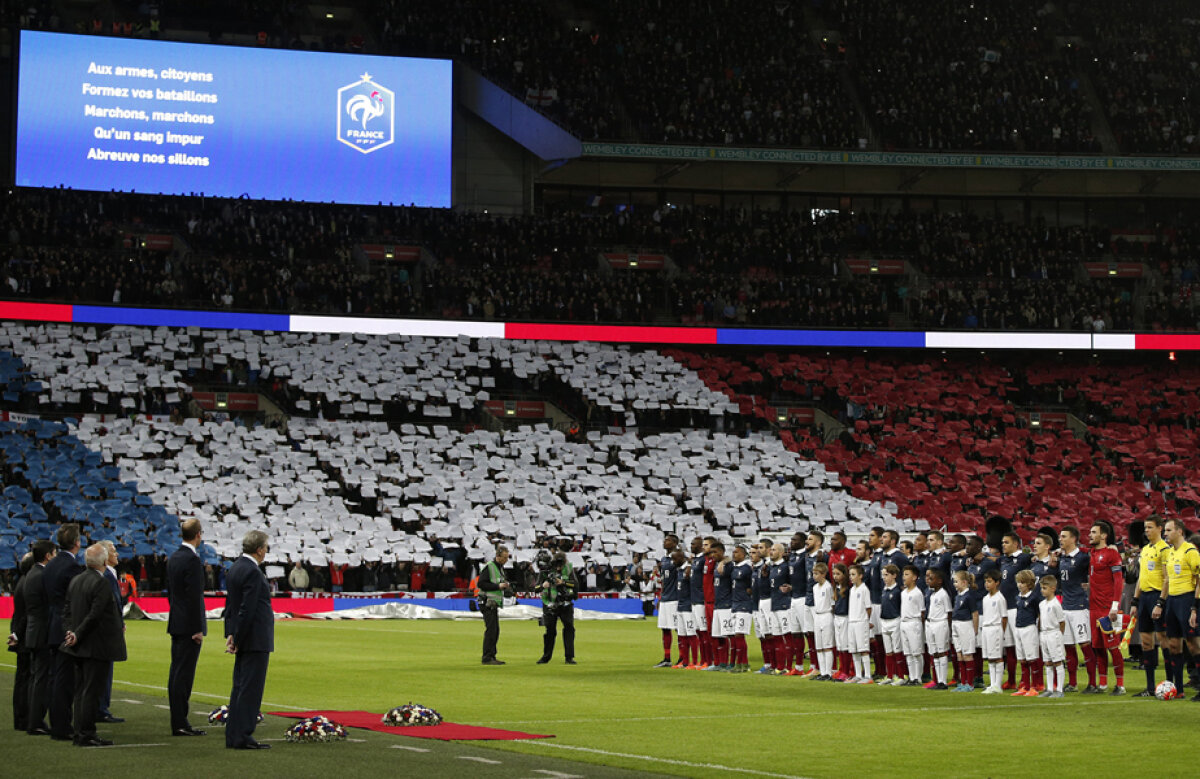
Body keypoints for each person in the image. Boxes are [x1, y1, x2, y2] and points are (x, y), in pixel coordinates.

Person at [61, 543, 127, 747]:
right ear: (104, 562)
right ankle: (87, 734)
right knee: (91, 691)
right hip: (96, 645)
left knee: (81, 691)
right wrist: (77, 634)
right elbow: (95, 615)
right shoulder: (101, 583)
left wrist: (71, 632)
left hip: (78, 646)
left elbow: (66, 611)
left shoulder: (76, 580)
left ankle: (80, 731)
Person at [224, 529, 274, 750]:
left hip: (244, 636)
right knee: (250, 689)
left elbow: (231, 606)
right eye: (266, 547)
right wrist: (238, 637)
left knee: (239, 687)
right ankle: (243, 735)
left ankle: (234, 733)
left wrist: (232, 633)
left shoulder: (236, 567)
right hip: (254, 638)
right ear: (260, 549)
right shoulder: (253, 572)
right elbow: (247, 609)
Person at [167, 519, 208, 736]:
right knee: (184, 675)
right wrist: (197, 627)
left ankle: (178, 720)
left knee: (176, 672)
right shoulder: (192, 560)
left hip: (177, 622)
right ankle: (180, 722)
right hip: (188, 626)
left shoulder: (174, 557)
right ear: (198, 534)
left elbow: (172, 593)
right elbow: (194, 597)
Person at [44, 523, 85, 741]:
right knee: (65, 680)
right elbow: (76, 599)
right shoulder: (72, 567)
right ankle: (62, 726)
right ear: (77, 542)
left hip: (52, 625)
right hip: (65, 628)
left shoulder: (50, 565)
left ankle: (57, 723)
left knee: (56, 678)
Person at [1154, 518, 1200, 697]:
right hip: (1172, 601)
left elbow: (1199, 580)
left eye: (1168, 530)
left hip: (1187, 600)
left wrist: (1195, 608)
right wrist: (1161, 602)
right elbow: (1167, 580)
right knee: (1173, 645)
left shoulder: (1190, 551)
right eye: (1165, 530)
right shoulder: (1171, 553)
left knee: (1193, 644)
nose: (1165, 533)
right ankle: (1178, 690)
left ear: (1179, 531)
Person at [1129, 514, 1170, 697]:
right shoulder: (1145, 550)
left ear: (1160, 528)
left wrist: (1160, 602)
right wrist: (1135, 601)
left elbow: (1167, 578)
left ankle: (1170, 682)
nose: (1147, 531)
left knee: (1163, 639)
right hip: (1144, 597)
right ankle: (1150, 687)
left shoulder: (1165, 549)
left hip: (1157, 596)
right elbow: (1141, 577)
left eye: (1150, 527)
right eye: (1145, 528)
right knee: (1146, 641)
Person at [1055, 526, 1098, 693]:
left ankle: (1092, 683)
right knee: (1068, 646)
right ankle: (1072, 683)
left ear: (1073, 539)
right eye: (1060, 536)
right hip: (1065, 607)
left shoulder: (1083, 558)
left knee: (1084, 645)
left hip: (1080, 608)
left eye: (1064, 536)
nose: (1060, 539)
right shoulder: (1061, 558)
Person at [1087, 521, 1125, 694]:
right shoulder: (1092, 553)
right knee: (1098, 647)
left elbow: (1118, 581)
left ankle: (1120, 685)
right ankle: (1102, 684)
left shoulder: (1112, 554)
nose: (1090, 535)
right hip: (1094, 608)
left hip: (1108, 608)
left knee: (1113, 646)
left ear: (1103, 536)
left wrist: (1115, 606)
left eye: (1094, 532)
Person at [22, 540, 55, 735]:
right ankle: (36, 722)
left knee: (36, 678)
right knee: (41, 679)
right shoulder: (42, 575)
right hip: (42, 632)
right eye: (54, 553)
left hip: (34, 631)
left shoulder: (31, 574)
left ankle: (33, 720)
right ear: (48, 556)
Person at [999, 532, 1031, 690]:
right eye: (1002, 542)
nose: (1003, 545)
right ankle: (1011, 680)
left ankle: (1026, 680)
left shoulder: (1024, 558)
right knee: (1009, 647)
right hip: (1004, 608)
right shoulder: (1002, 560)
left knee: (1021, 646)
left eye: (1006, 542)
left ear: (1016, 544)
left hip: (1016, 607)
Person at [97, 541, 124, 724]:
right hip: (107, 630)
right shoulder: (106, 575)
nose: (117, 554)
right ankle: (101, 709)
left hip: (109, 628)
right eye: (114, 551)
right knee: (104, 670)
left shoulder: (110, 574)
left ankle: (101, 707)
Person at [7, 553, 33, 731]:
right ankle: (24, 717)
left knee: (22, 678)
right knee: (25, 679)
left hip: (20, 635)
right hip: (24, 637)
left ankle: (21, 717)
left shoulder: (21, 582)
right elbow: (25, 614)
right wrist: (17, 634)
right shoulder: (27, 584)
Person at [537, 551, 576, 665]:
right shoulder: (546, 571)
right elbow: (535, 588)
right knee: (550, 631)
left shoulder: (569, 569)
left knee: (569, 628)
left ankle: (569, 657)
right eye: (557, 566)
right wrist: (543, 585)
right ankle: (546, 656)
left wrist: (563, 582)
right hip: (550, 603)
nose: (559, 568)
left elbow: (575, 585)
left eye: (561, 566)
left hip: (565, 603)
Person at [477, 546, 511, 666]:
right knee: (491, 630)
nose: (506, 560)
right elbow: (481, 583)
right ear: (498, 556)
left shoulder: (500, 568)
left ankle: (491, 655)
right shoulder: (490, 567)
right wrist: (498, 586)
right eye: (504, 557)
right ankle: (487, 657)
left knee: (495, 630)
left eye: (507, 557)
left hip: (493, 603)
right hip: (487, 602)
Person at [1011, 570, 1043, 696]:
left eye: (1022, 582)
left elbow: (1040, 614)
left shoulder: (1034, 598)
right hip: (1018, 628)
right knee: (1022, 659)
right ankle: (1025, 686)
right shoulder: (1017, 597)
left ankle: (1035, 686)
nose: (1019, 585)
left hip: (1029, 628)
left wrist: (1039, 628)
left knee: (1032, 659)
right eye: (1018, 582)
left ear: (1029, 584)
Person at [1038, 575, 1068, 698]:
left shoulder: (1056, 604)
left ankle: (1059, 690)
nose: (1042, 590)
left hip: (1053, 633)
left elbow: (1062, 622)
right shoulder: (1041, 604)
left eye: (1044, 588)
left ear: (1053, 588)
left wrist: (1059, 635)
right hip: (1043, 634)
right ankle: (1049, 689)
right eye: (1041, 588)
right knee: (1048, 662)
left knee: (1057, 661)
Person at [652, 534, 680, 668]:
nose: (665, 542)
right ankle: (667, 658)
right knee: (665, 628)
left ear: (675, 543)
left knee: (679, 629)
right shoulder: (663, 559)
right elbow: (664, 581)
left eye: (668, 540)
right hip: (665, 598)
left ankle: (682, 658)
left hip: (675, 599)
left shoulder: (678, 558)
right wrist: (660, 597)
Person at [979, 570, 1007, 694]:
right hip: (986, 628)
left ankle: (998, 685)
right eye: (986, 581)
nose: (986, 584)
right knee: (990, 658)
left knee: (997, 657)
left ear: (997, 583)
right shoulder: (985, 598)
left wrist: (1001, 632)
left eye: (989, 581)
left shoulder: (1000, 598)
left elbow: (1004, 617)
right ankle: (992, 684)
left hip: (995, 628)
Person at [767, 543, 793, 675]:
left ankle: (789, 667)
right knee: (776, 636)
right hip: (774, 605)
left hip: (784, 606)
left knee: (787, 636)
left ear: (782, 553)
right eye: (771, 549)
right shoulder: (771, 568)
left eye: (774, 550)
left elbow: (793, 582)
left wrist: (790, 588)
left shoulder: (786, 567)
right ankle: (780, 666)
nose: (771, 552)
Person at [950, 571, 979, 692]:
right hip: (956, 624)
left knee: (967, 654)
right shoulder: (958, 596)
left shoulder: (969, 596)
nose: (954, 584)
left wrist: (975, 629)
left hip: (965, 625)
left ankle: (970, 684)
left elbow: (975, 613)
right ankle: (962, 682)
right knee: (959, 654)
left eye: (956, 581)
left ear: (964, 582)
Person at [924, 569, 951, 690]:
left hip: (940, 623)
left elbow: (948, 612)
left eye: (931, 579)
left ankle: (943, 681)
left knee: (941, 651)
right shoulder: (933, 594)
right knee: (934, 652)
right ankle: (938, 681)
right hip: (931, 623)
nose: (929, 581)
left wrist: (948, 628)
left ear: (939, 581)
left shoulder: (943, 594)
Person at [899, 565, 925, 686]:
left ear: (914, 577)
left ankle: (918, 677)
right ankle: (912, 676)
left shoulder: (917, 593)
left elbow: (922, 611)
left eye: (907, 574)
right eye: (903, 574)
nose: (904, 577)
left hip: (914, 622)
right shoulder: (903, 593)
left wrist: (919, 625)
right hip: (904, 622)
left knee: (916, 651)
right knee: (908, 652)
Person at [729, 545, 754, 673]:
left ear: (743, 555)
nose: (734, 554)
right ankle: (742, 663)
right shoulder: (734, 568)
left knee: (739, 634)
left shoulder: (747, 569)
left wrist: (750, 592)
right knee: (736, 635)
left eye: (737, 552)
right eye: (733, 552)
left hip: (744, 605)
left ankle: (742, 664)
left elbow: (752, 585)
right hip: (735, 604)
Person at [708, 542, 733, 671]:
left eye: (715, 552)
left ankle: (731, 663)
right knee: (718, 636)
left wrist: (725, 561)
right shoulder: (716, 565)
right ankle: (721, 663)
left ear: (722, 551)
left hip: (727, 605)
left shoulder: (729, 565)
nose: (713, 555)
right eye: (712, 552)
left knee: (729, 635)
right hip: (717, 605)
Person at [810, 562, 835, 680]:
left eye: (816, 573)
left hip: (826, 615)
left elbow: (832, 603)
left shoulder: (828, 587)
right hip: (817, 615)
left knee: (827, 645)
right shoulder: (815, 588)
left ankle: (828, 673)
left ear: (823, 574)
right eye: (813, 573)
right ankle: (822, 671)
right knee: (819, 646)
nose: (814, 576)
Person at [878, 564, 903, 685]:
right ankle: (890, 675)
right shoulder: (884, 590)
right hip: (884, 621)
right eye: (883, 575)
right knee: (888, 651)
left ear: (894, 575)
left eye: (886, 575)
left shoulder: (898, 591)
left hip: (895, 620)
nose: (884, 577)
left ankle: (901, 675)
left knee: (897, 649)